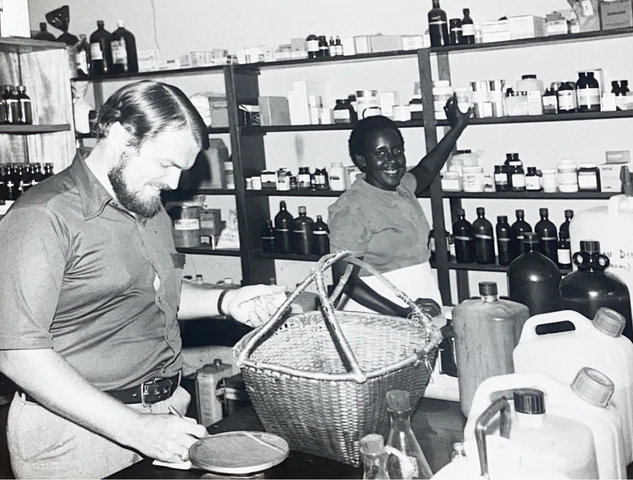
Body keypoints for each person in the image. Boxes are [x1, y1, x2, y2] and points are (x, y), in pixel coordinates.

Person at [0, 80, 285, 479]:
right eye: (167, 164)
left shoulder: (148, 205)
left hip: (166, 415)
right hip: (76, 434)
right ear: (120, 135)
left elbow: (156, 295)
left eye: (182, 170)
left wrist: (228, 301)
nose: (174, 184)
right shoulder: (43, 216)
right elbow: (17, 353)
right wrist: (136, 429)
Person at [328, 95, 471, 316]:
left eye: (397, 151)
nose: (392, 160)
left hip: (420, 306)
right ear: (362, 160)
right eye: (380, 153)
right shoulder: (351, 208)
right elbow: (345, 281)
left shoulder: (402, 187)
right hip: (376, 315)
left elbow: (427, 169)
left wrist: (457, 128)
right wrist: (403, 312)